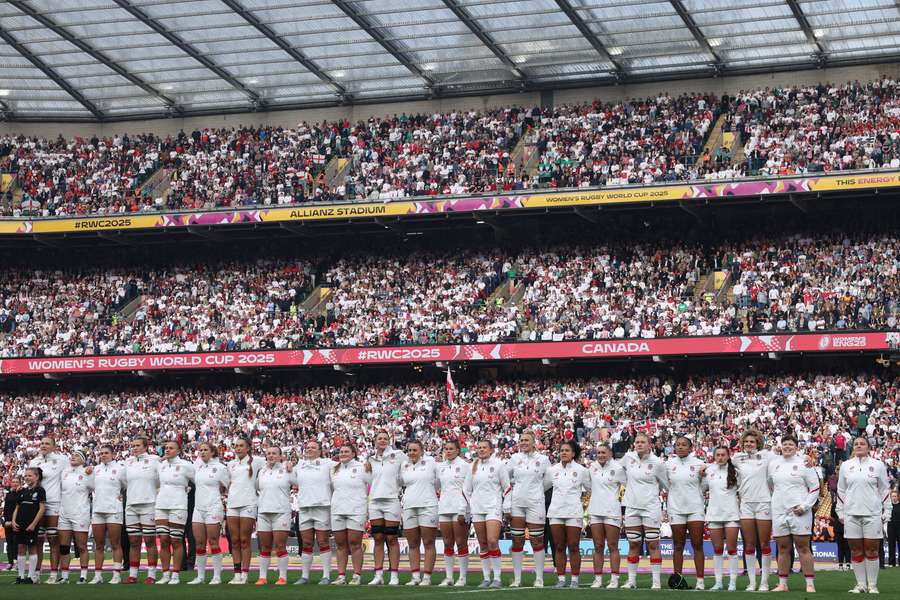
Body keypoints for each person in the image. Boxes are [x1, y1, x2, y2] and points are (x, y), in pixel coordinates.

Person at [837, 436, 891, 593]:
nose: (859, 446)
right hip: (851, 513)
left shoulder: (878, 465)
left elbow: (884, 490)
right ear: (853, 447)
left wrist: (887, 511)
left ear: (868, 447)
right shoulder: (846, 466)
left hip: (872, 514)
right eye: (856, 444)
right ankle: (861, 585)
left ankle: (872, 586)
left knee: (872, 550)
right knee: (856, 551)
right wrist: (840, 511)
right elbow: (841, 490)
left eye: (862, 444)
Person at [767, 434, 819, 593]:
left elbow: (815, 487)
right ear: (781, 447)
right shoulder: (774, 464)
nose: (787, 447)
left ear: (796, 447)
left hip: (799, 511)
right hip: (779, 512)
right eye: (785, 444)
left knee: (803, 547)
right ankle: (782, 583)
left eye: (790, 444)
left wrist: (805, 506)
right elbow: (770, 485)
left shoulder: (804, 462)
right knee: (782, 547)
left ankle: (810, 583)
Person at [621, 432, 668, 589]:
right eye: (637, 442)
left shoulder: (658, 463)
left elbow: (666, 484)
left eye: (642, 442)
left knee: (653, 544)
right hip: (632, 507)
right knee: (633, 544)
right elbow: (618, 472)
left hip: (650, 508)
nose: (639, 444)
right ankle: (631, 581)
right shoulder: (628, 458)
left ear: (650, 445)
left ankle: (656, 582)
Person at [506, 430, 550, 587]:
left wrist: (536, 492)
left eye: (526, 440)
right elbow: (505, 478)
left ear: (534, 442)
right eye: (521, 440)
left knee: (537, 541)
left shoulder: (543, 459)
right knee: (517, 541)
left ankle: (539, 578)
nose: (523, 442)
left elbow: (548, 481)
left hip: (536, 504)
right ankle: (517, 579)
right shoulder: (514, 458)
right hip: (517, 503)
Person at [733, 429, 775, 591]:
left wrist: (805, 458)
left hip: (764, 503)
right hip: (746, 505)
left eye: (752, 441)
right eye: (746, 442)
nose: (749, 444)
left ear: (758, 443)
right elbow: (720, 463)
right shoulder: (737, 458)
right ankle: (752, 582)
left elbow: (786, 457)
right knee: (748, 544)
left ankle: (764, 582)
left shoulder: (767, 456)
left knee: (764, 544)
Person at [464, 439, 509, 588]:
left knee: (492, 541)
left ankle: (497, 577)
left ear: (491, 450)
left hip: (493, 507)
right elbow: (466, 490)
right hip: (477, 508)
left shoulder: (499, 465)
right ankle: (486, 577)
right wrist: (465, 509)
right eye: (479, 447)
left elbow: (507, 487)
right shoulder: (472, 466)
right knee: (482, 543)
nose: (481, 450)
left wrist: (506, 506)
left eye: (484, 447)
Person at [546, 440, 590, 589]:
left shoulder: (582, 470)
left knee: (573, 546)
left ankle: (575, 580)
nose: (563, 452)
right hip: (555, 512)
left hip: (573, 511)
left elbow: (590, 488)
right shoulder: (552, 470)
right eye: (561, 450)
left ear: (573, 453)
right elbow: (542, 487)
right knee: (558, 546)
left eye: (567, 450)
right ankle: (561, 579)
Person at [365, 430, 406, 586]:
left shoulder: (399, 455)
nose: (382, 440)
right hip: (374, 501)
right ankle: (378, 574)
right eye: (379, 438)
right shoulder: (370, 459)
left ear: (389, 441)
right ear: (374, 441)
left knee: (391, 538)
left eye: (385, 438)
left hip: (391, 500)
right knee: (378, 538)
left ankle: (394, 575)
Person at [666, 436, 707, 589]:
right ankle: (678, 580)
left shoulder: (699, 464)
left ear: (691, 448)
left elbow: (705, 485)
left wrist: (694, 494)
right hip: (675, 509)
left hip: (695, 508)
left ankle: (700, 582)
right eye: (678, 445)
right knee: (678, 545)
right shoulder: (668, 465)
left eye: (684, 445)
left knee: (697, 544)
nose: (681, 447)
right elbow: (665, 483)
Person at [293, 440, 335, 585]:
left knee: (323, 542)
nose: (310, 449)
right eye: (308, 447)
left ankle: (326, 575)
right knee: (306, 543)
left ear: (320, 451)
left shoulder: (328, 463)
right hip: (304, 507)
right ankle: (304, 576)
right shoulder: (299, 465)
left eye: (313, 447)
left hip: (322, 506)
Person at [188, 441, 229, 585]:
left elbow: (229, 485)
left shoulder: (220, 468)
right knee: (199, 543)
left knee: (213, 542)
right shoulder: (196, 466)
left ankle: (217, 576)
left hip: (214, 507)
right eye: (201, 450)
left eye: (206, 450)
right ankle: (200, 576)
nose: (202, 452)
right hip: (198, 509)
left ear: (213, 452)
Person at [399, 439, 439, 586]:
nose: (412, 453)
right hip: (409, 506)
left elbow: (438, 482)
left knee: (428, 542)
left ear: (422, 451)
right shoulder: (404, 465)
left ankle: (427, 577)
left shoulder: (431, 462)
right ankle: (415, 576)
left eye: (415, 450)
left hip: (428, 505)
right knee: (413, 543)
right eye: (409, 450)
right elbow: (400, 483)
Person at [225, 435, 264, 584]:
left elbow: (274, 461)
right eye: (236, 446)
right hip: (232, 504)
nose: (238, 448)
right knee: (234, 541)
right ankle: (236, 574)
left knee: (244, 540)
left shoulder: (258, 461)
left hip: (248, 503)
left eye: (241, 446)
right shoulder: (230, 464)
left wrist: (286, 465)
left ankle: (245, 575)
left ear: (248, 448)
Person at [155, 440, 195, 585]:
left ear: (179, 450)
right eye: (166, 448)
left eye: (171, 448)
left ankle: (176, 575)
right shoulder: (161, 465)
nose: (167, 450)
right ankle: (165, 574)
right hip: (161, 505)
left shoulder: (186, 465)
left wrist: (189, 490)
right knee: (164, 541)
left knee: (176, 541)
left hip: (178, 505)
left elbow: (198, 481)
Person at [330, 443, 369, 585]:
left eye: (346, 451)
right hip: (337, 510)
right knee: (340, 544)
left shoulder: (363, 467)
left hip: (356, 510)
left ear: (354, 454)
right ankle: (341, 576)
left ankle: (357, 575)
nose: (343, 454)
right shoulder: (334, 469)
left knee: (355, 543)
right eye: (341, 452)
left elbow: (372, 484)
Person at [27, 437, 65, 583]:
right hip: (36, 504)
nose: (43, 445)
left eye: (47, 443)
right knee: (37, 540)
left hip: (54, 502)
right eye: (42, 443)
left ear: (54, 446)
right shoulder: (34, 462)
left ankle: (54, 574)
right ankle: (36, 574)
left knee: (53, 539)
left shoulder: (62, 460)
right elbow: (30, 480)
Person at [255, 445, 294, 585]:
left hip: (281, 512)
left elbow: (297, 483)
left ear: (280, 456)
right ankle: (262, 577)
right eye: (269, 453)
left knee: (280, 546)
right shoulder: (261, 471)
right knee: (264, 547)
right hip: (264, 512)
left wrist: (291, 468)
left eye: (274, 453)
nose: (271, 456)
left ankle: (282, 577)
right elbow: (257, 488)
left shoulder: (287, 469)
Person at [587, 442, 625, 589]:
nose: (601, 455)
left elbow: (628, 485)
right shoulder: (592, 467)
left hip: (612, 511)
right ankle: (598, 578)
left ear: (610, 454)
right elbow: (589, 486)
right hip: (595, 510)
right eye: (599, 452)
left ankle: (614, 578)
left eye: (604, 452)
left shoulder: (618, 468)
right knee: (597, 546)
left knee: (613, 545)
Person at [703, 445, 740, 591]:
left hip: (731, 514)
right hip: (714, 513)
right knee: (717, 549)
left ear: (728, 456)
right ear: (714, 456)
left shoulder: (735, 472)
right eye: (717, 454)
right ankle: (718, 582)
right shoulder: (709, 470)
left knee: (731, 549)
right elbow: (702, 487)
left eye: (723, 455)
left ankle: (732, 582)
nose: (720, 457)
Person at [123, 436, 160, 584]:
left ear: (146, 447)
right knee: (133, 542)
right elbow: (123, 482)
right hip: (131, 505)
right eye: (133, 445)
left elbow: (160, 480)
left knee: (150, 541)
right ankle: (133, 575)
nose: (135, 448)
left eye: (138, 445)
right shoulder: (127, 462)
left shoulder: (155, 460)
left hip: (149, 504)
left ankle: (151, 575)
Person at [436, 439, 470, 587]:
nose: (448, 451)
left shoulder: (465, 466)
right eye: (446, 449)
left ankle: (462, 577)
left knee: (461, 542)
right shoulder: (440, 467)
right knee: (447, 542)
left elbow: (468, 489)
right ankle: (449, 577)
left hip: (459, 508)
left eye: (451, 449)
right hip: (444, 507)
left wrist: (464, 508)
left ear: (458, 450)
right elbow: (436, 485)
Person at [90, 445, 125, 584]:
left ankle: (116, 575)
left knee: (115, 544)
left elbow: (127, 485)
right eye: (101, 453)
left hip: (114, 510)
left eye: (106, 453)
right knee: (98, 545)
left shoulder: (121, 469)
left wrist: (121, 496)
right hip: (98, 510)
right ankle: (97, 575)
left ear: (113, 454)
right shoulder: (95, 469)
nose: (103, 455)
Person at [57, 451, 93, 584]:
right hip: (64, 513)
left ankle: (83, 576)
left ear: (83, 460)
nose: (73, 457)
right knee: (64, 547)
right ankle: (64, 576)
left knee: (82, 546)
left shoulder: (87, 472)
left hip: (80, 513)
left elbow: (96, 488)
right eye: (72, 455)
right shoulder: (64, 472)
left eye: (77, 455)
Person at [12, 467, 45, 584]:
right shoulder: (22, 491)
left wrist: (34, 524)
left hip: (31, 525)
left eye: (30, 475)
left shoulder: (40, 491)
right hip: (20, 524)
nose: (27, 478)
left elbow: (42, 508)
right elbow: (17, 507)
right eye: (25, 476)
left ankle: (31, 577)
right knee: (20, 548)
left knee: (32, 549)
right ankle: (20, 576)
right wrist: (14, 520)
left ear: (36, 477)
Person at [3, 477, 22, 572]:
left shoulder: (22, 494)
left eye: (17, 482)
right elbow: (6, 509)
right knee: (9, 543)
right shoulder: (8, 495)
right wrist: (5, 521)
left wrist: (14, 521)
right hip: (7, 522)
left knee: (16, 543)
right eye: (13, 482)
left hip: (17, 522)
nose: (15, 483)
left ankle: (16, 563)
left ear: (20, 483)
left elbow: (21, 509)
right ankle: (10, 563)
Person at [888, 489, 900, 568]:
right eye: (892, 496)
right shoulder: (888, 506)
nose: (894, 498)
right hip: (891, 526)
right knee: (891, 544)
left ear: (898, 497)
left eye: (895, 496)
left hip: (899, 526)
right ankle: (891, 563)